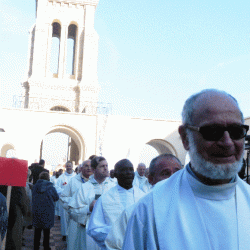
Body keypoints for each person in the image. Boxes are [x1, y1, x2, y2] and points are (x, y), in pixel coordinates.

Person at [122, 89, 250, 250]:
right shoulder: (150, 211)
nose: (227, 142)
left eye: (236, 132)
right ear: (185, 138)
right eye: (212, 131)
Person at [105, 154, 182, 250]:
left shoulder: (191, 209)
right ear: (150, 179)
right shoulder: (134, 213)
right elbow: (114, 246)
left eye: (177, 173)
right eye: (165, 173)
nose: (173, 178)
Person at [87, 159, 146, 249]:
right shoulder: (104, 199)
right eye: (124, 170)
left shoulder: (143, 197)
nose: (128, 173)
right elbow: (94, 229)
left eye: (131, 169)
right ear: (115, 174)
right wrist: (119, 235)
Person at [68, 156, 116, 250]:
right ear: (94, 170)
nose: (106, 168)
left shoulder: (113, 187)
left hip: (108, 233)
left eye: (106, 165)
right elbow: (72, 211)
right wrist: (88, 208)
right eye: (102, 166)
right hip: (88, 233)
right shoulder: (84, 188)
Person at [60, 160, 92, 250]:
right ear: (81, 168)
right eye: (86, 166)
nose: (89, 168)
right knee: (74, 244)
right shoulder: (74, 181)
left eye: (90, 166)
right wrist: (74, 203)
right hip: (76, 220)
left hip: (91, 220)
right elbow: (63, 197)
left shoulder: (96, 182)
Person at [32, 171, 59, 250]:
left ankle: (36, 247)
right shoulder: (51, 187)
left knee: (37, 231)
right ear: (48, 178)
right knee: (47, 231)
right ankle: (46, 246)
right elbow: (56, 197)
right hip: (48, 211)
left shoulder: (35, 186)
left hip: (37, 211)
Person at [55, 161, 76, 241]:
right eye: (67, 166)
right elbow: (56, 187)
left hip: (73, 201)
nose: (68, 167)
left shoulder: (76, 177)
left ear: (72, 166)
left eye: (70, 166)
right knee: (64, 219)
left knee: (72, 219)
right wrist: (65, 192)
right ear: (65, 167)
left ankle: (72, 233)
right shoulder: (61, 177)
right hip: (64, 201)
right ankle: (64, 233)